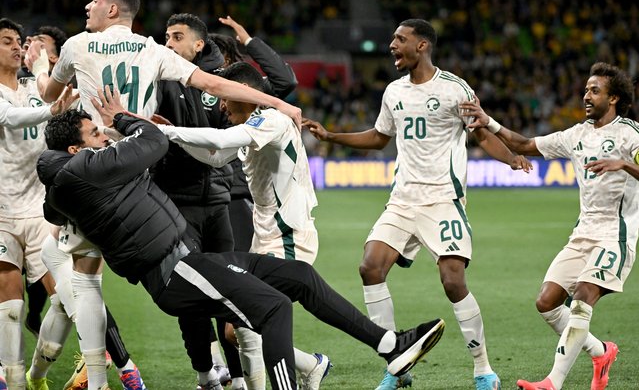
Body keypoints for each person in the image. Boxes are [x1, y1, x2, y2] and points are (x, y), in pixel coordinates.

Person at [37, 101, 446, 390]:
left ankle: (390, 345)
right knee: (274, 308)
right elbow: (152, 141)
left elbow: (59, 206)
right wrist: (125, 120)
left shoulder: (81, 178)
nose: (103, 137)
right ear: (75, 150)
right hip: (174, 272)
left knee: (299, 277)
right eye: (94, 133)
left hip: (189, 261)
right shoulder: (83, 172)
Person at [23, 0, 301, 390]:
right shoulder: (153, 50)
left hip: (93, 172)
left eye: (95, 0)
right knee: (197, 279)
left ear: (113, 9)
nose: (88, 5)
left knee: (76, 273)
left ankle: (95, 377)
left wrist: (40, 66)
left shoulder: (77, 46)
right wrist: (277, 101)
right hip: (140, 179)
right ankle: (250, 373)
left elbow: (48, 95)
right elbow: (213, 83)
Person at [303, 19, 530, 390]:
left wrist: (510, 158)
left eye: (400, 39)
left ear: (421, 46)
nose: (392, 45)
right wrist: (332, 135)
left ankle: (484, 369)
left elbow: (481, 134)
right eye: (393, 39)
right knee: (370, 267)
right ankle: (397, 365)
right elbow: (379, 138)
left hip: (443, 199)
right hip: (403, 199)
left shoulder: (455, 89)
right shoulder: (393, 92)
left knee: (452, 281)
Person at [462, 62, 636, 390]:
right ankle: (601, 352)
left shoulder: (629, 134)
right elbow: (527, 145)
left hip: (616, 233)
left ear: (613, 98)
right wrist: (491, 122)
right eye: (585, 89)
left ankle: (552, 383)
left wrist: (624, 163)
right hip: (583, 232)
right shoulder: (577, 135)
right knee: (547, 301)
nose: (586, 95)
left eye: (594, 91)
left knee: (584, 296)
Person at [158, 61, 332, 389]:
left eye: (227, 96)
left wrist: (167, 131)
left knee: (250, 321)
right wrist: (173, 137)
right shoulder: (256, 123)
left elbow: (223, 141)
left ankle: (304, 370)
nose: (221, 104)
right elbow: (215, 155)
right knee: (237, 328)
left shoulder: (271, 119)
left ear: (247, 94)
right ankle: (310, 365)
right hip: (266, 237)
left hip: (288, 236)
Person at [21, 24, 148, 390]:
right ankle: (120, 368)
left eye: (39, 46)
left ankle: (36, 378)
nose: (30, 50)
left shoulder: (81, 98)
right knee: (79, 298)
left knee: (65, 303)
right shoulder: (25, 95)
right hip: (45, 214)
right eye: (26, 44)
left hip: (65, 219)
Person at [157, 12, 236, 388]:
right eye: (166, 37)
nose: (168, 44)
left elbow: (229, 134)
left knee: (232, 289)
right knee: (189, 290)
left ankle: (237, 377)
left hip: (219, 202)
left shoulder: (218, 83)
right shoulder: (158, 80)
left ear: (198, 44)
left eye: (177, 37)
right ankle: (205, 373)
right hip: (177, 202)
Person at [0, 17, 77, 390]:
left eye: (18, 40)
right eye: (5, 41)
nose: (16, 46)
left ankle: (37, 375)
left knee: (65, 299)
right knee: (11, 310)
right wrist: (52, 112)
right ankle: (12, 379)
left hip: (42, 212)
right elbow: (10, 118)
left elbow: (64, 117)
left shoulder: (38, 88)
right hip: (2, 213)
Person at [211, 16, 298, 254]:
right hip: (201, 194)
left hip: (237, 193)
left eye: (217, 57)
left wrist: (249, 41)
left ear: (228, 60)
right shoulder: (189, 89)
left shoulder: (246, 93)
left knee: (242, 268)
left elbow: (285, 80)